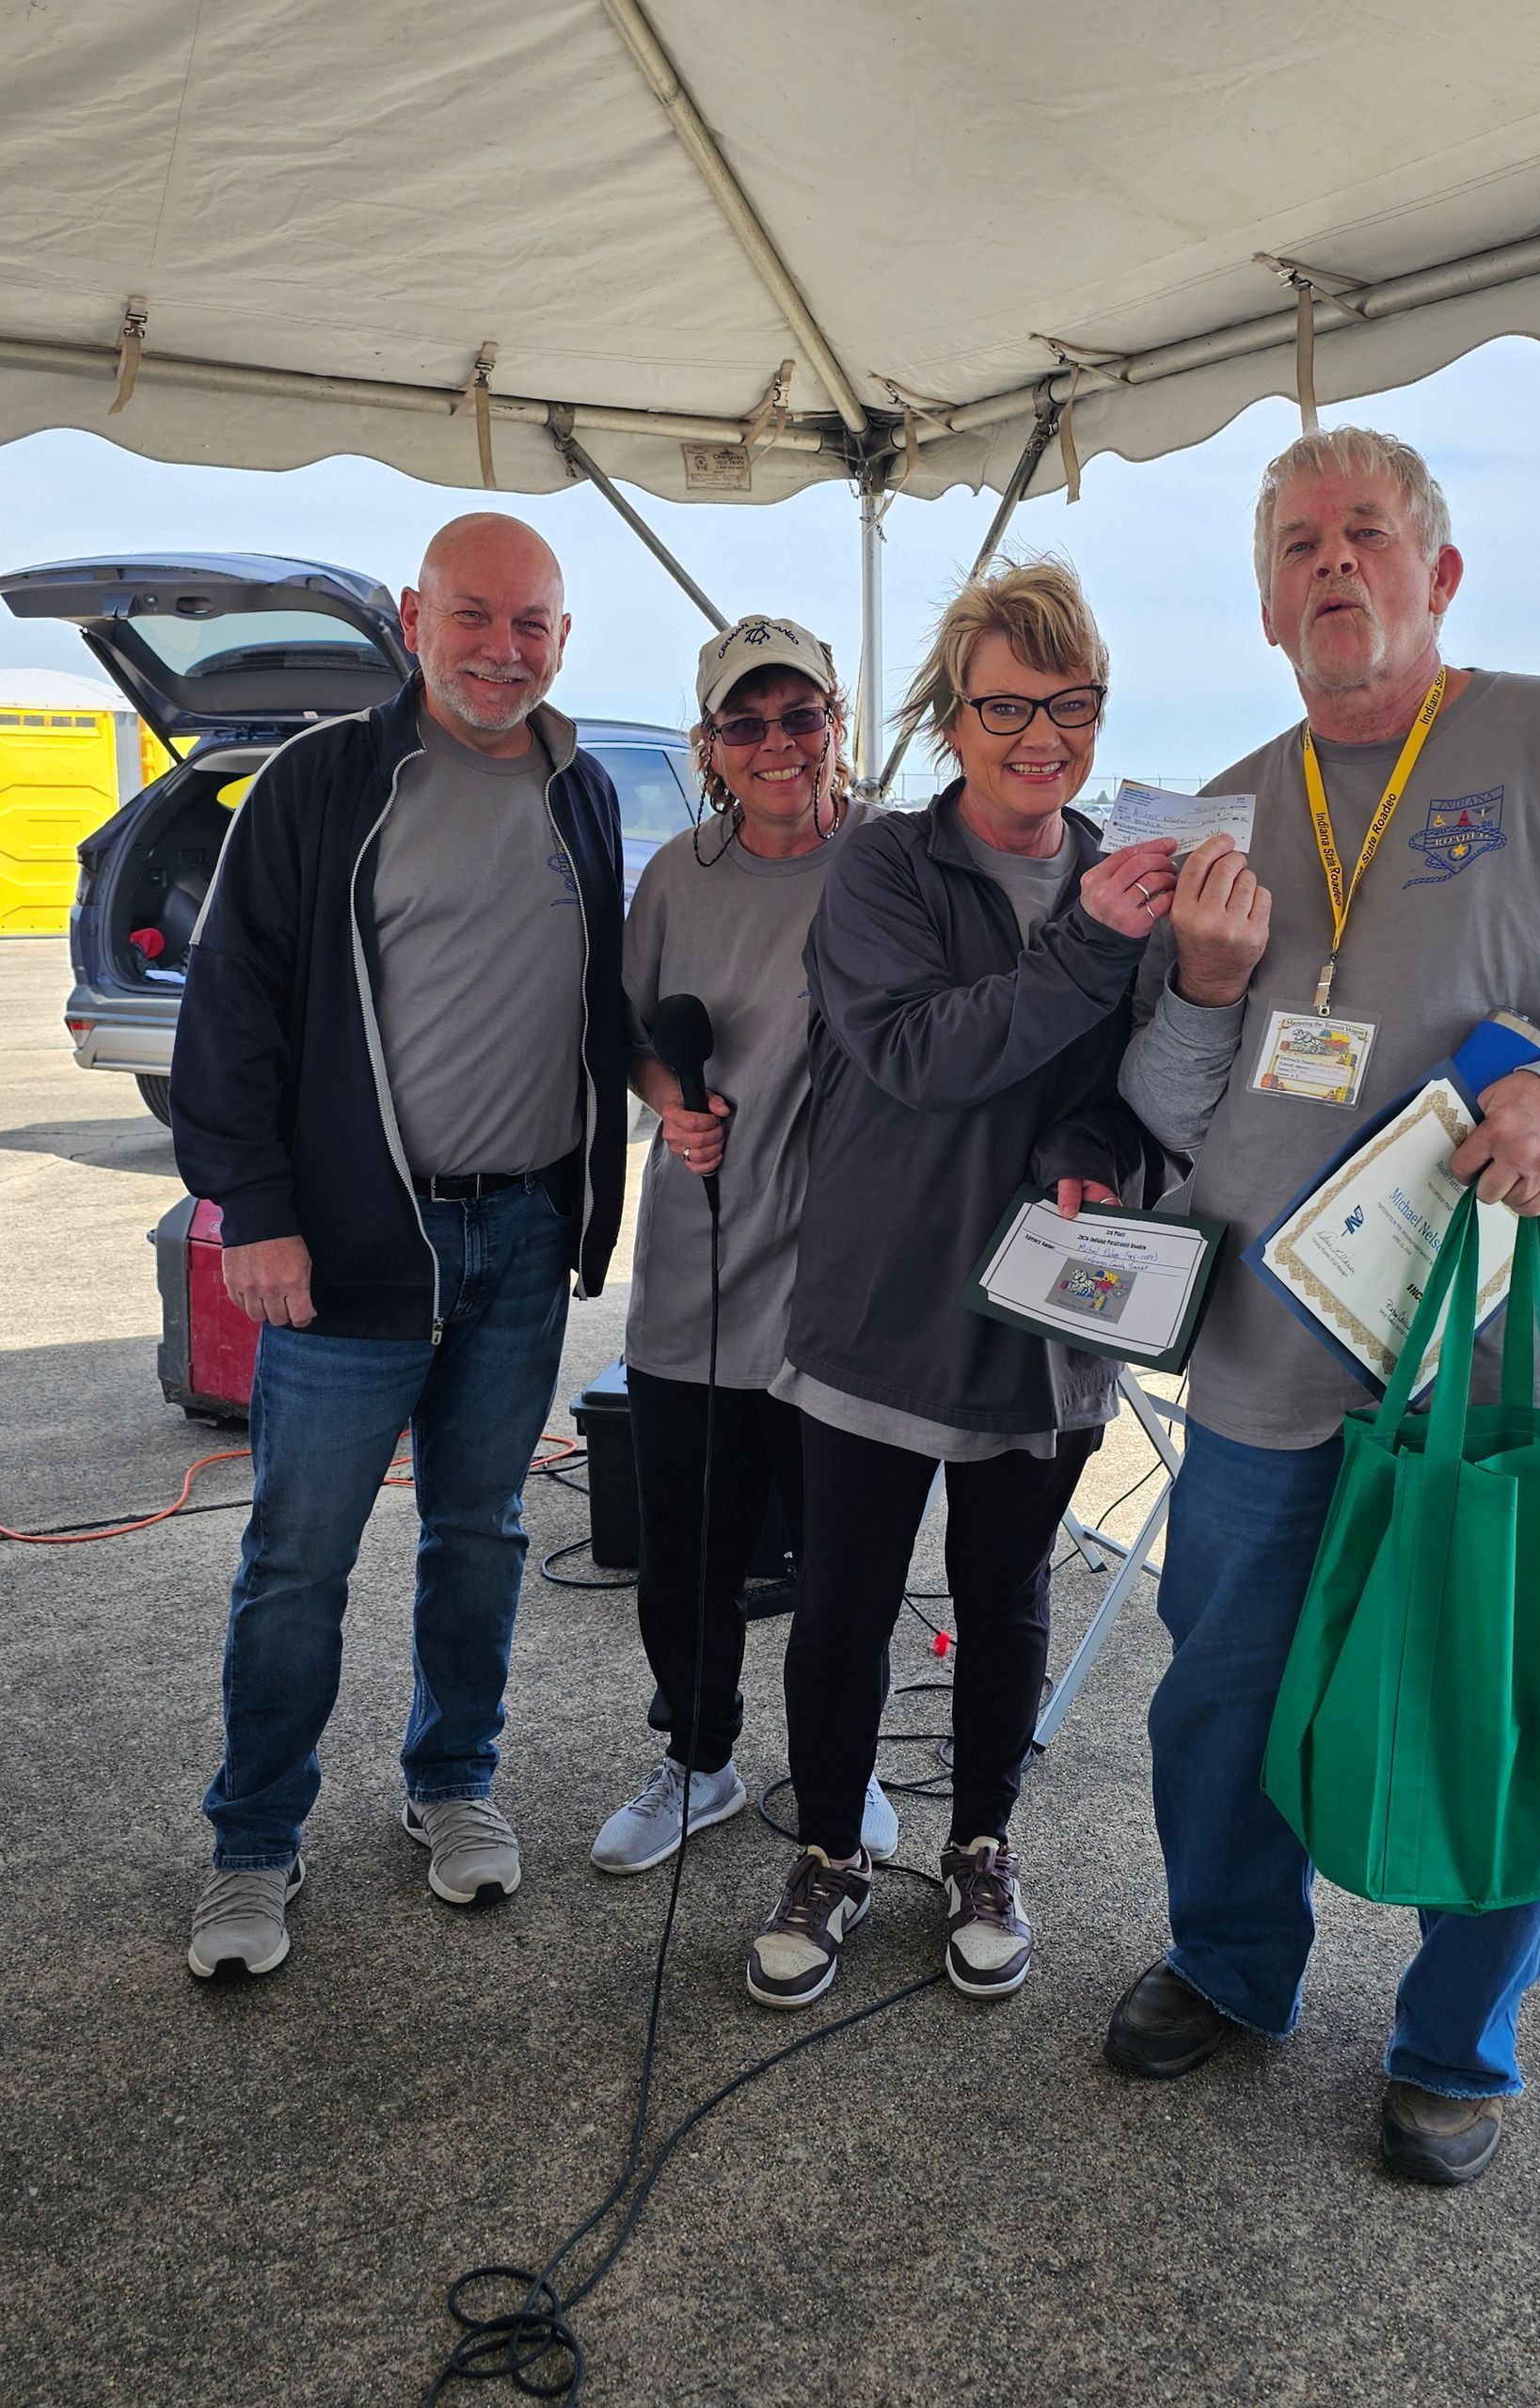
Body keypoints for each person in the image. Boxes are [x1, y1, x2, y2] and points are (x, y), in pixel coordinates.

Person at [1110, 427, 1540, 2181]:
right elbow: (1181, 1105)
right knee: (1224, 1689)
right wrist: (1194, 983)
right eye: (1295, 545)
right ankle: (1228, 1963)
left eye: (1365, 534)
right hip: (1280, 1352)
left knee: (1509, 1694)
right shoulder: (1227, 806)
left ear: (1439, 571)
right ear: (1264, 603)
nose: (1332, 564)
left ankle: (1458, 2050)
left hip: (1517, 1352)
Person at [172, 514, 627, 1981]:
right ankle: (253, 1842)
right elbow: (230, 1009)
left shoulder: (586, 788)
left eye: (535, 625)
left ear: (564, 637)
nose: (506, 649)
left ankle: (453, 1783)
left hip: (520, 1232)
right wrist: (258, 1206)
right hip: (356, 1243)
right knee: (298, 1558)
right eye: (479, 617)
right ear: (419, 617)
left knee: (481, 1533)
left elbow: (606, 997)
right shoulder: (324, 784)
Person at [744, 558, 1181, 2011]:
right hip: (879, 1303)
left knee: (1005, 1601)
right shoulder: (880, 866)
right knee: (845, 1605)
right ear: (952, 716)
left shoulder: (1125, 870)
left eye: (1070, 703)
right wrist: (1094, 944)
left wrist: (1092, 1138)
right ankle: (826, 1851)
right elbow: (925, 1057)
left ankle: (981, 1844)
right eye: (1005, 705)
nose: (1038, 735)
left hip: (1044, 1324)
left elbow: (1140, 1087)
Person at [589, 613, 896, 1876]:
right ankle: (698, 1761)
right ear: (711, 744)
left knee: (847, 1568)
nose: (778, 743)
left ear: (836, 720)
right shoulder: (677, 877)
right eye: (746, 721)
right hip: (699, 1271)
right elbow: (626, 1032)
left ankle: (846, 1769)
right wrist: (670, 1103)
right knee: (690, 1557)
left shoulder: (897, 861)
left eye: (801, 714)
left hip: (850, 1293)